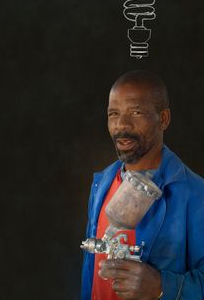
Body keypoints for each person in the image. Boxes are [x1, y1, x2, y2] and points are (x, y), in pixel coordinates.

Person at [81, 70, 204, 300]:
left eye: (136, 112)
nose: (121, 125)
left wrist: (160, 287)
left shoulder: (196, 194)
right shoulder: (101, 184)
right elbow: (92, 275)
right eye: (113, 114)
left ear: (163, 119)